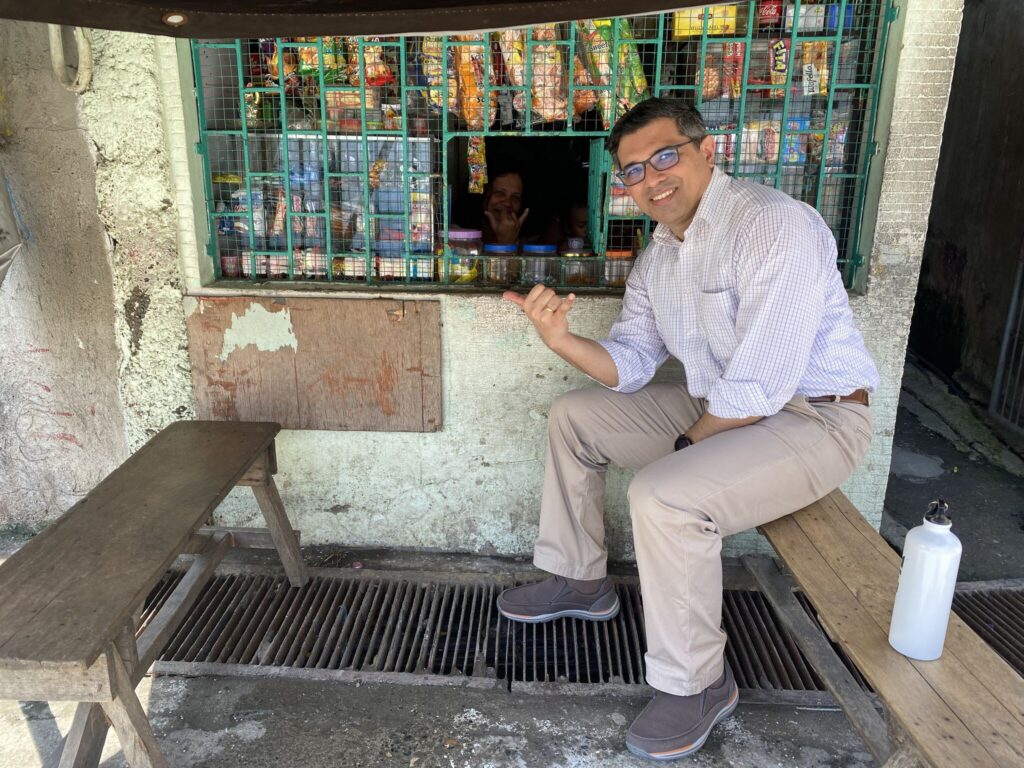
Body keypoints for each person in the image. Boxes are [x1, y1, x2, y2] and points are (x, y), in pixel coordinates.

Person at [498, 97, 879, 762]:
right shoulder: (661, 255)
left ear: (709, 151)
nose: (651, 178)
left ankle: (698, 683)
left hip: (817, 416)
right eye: (633, 170)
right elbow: (633, 362)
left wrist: (681, 452)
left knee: (665, 496)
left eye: (665, 155)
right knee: (575, 416)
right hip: (724, 404)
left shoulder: (772, 226)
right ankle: (580, 580)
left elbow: (759, 386)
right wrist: (560, 340)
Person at [481, 166, 530, 245]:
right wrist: (505, 243)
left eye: (515, 197)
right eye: (499, 193)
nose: (508, 203)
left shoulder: (525, 245)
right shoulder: (458, 238)